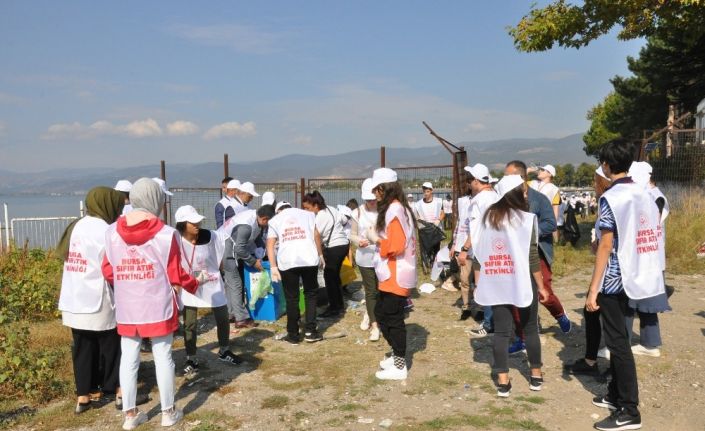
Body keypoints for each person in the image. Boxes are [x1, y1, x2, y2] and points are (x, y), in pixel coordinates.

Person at [102, 178, 206, 430]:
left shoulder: (111, 232)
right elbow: (175, 274)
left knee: (129, 358)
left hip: (128, 306)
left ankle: (130, 415)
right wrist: (195, 283)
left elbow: (107, 270)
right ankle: (168, 412)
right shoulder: (166, 234)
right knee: (163, 356)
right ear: (155, 200)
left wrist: (130, 282)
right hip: (158, 304)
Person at [586, 140, 664, 430]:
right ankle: (615, 394)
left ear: (606, 166)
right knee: (620, 339)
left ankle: (629, 410)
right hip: (636, 272)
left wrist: (594, 288)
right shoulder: (642, 192)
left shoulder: (612, 197)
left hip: (614, 278)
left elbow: (606, 245)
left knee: (618, 343)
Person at [473, 175, 548, 397]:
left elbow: (480, 253)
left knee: (502, 332)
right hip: (522, 280)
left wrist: (480, 283)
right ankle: (535, 374)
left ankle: (503, 381)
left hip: (497, 280)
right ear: (514, 194)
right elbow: (532, 257)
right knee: (530, 327)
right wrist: (541, 286)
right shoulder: (526, 219)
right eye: (523, 191)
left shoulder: (489, 217)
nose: (526, 194)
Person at [58, 187, 125, 414]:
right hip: (99, 297)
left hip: (74, 297)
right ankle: (118, 391)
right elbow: (112, 267)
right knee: (113, 345)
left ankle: (84, 396)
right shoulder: (107, 230)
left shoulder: (76, 225)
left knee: (82, 347)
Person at [506, 161, 572, 345]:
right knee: (516, 294)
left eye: (508, 175)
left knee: (545, 292)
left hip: (538, 251)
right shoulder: (507, 199)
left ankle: (559, 314)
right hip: (514, 254)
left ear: (521, 177)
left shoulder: (539, 199)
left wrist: (529, 232)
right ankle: (522, 337)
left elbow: (550, 224)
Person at [174, 205, 242, 378]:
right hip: (191, 285)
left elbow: (222, 245)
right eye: (193, 222)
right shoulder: (175, 239)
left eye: (199, 221)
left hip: (212, 283)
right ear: (182, 224)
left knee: (222, 318)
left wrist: (219, 268)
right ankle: (191, 358)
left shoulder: (210, 236)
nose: (198, 224)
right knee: (190, 323)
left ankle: (224, 350)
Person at [365, 168, 417, 380]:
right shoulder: (399, 208)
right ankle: (396, 355)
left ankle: (400, 364)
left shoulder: (394, 210)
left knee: (392, 319)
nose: (375, 195)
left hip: (396, 272)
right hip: (392, 272)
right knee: (381, 313)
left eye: (377, 190)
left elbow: (396, 245)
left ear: (384, 189)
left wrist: (376, 239)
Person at [565, 167, 612, 376]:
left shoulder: (607, 201)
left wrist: (594, 288)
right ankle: (592, 359)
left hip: (609, 269)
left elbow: (606, 244)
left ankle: (595, 362)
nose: (593, 184)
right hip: (611, 266)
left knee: (595, 312)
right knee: (596, 315)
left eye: (595, 180)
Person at [625, 162, 671, 358]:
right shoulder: (654, 196)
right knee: (646, 302)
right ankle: (650, 343)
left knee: (628, 300)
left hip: (643, 257)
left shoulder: (650, 197)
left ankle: (619, 344)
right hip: (650, 255)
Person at [266, 201, 324, 344]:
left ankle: (293, 334)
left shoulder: (275, 220)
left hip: (288, 262)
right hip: (309, 259)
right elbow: (316, 235)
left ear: (278, 210)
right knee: (310, 294)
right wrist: (321, 255)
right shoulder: (308, 215)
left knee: (292, 298)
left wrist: (273, 266)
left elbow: (270, 244)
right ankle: (311, 331)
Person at [453, 164, 498, 324]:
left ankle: (488, 322)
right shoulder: (495, 196)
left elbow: (477, 228)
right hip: (495, 247)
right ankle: (495, 321)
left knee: (481, 284)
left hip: (482, 248)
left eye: (470, 179)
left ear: (477, 181)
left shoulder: (479, 200)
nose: (469, 182)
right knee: (493, 285)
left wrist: (464, 249)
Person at [302, 191, 350, 318]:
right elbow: (344, 219)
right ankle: (339, 304)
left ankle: (334, 307)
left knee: (329, 277)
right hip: (344, 244)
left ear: (316, 205)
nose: (306, 211)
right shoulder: (332, 209)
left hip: (334, 247)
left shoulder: (320, 217)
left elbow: (315, 236)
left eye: (307, 208)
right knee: (335, 277)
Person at [223, 203, 272, 329]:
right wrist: (253, 262)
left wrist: (260, 251)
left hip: (231, 250)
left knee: (230, 285)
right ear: (264, 219)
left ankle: (231, 314)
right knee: (236, 284)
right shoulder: (246, 226)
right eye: (268, 222)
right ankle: (241, 319)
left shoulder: (255, 218)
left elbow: (256, 238)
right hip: (226, 251)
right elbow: (239, 248)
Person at [350, 178, 381, 341]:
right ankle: (374, 325)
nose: (371, 203)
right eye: (368, 200)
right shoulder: (357, 213)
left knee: (381, 290)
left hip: (382, 256)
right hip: (365, 257)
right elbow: (352, 234)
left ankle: (371, 314)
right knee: (371, 291)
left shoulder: (384, 210)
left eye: (373, 200)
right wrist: (358, 241)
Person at [528, 165, 561, 242]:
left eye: (543, 170)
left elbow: (555, 210)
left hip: (542, 221)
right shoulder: (532, 183)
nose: (540, 171)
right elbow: (518, 182)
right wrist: (528, 171)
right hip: (529, 217)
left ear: (550, 174)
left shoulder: (554, 189)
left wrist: (552, 225)